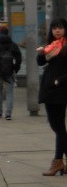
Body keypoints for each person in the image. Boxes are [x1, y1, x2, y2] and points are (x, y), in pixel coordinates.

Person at [37, 18, 67, 176]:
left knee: (59, 127)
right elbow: (41, 63)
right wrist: (42, 53)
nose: (57, 31)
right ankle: (61, 163)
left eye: (60, 28)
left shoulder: (65, 46)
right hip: (49, 90)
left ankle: (57, 162)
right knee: (56, 127)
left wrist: (59, 80)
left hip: (60, 90)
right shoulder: (52, 45)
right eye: (55, 28)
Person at [0, 26, 22, 120]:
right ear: (7, 33)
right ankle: (8, 114)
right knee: (10, 92)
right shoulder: (13, 44)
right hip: (10, 71)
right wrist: (15, 68)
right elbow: (19, 58)